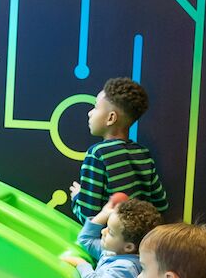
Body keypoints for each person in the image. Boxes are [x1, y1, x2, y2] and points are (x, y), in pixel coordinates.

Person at [71, 77, 168, 222]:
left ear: (111, 118)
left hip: (109, 241)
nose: (90, 113)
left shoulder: (97, 155)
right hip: (137, 240)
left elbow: (88, 217)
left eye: (96, 107)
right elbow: (161, 205)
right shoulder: (143, 153)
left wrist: (77, 197)